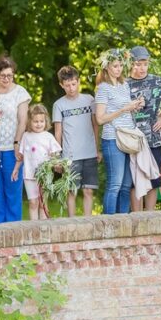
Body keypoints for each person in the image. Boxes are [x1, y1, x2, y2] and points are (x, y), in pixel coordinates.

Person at [126, 46, 161, 211]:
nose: (142, 68)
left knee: (154, 179)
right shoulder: (123, 85)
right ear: (130, 64)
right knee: (135, 181)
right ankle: (138, 217)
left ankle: (150, 216)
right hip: (132, 140)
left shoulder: (157, 81)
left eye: (145, 64)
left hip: (153, 138)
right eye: (137, 64)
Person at [95, 48, 143, 215]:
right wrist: (124, 109)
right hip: (112, 139)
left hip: (128, 139)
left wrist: (135, 106)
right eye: (115, 66)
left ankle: (123, 221)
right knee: (114, 184)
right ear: (107, 67)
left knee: (126, 185)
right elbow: (100, 119)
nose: (119, 69)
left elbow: (127, 109)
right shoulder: (103, 88)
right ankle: (109, 222)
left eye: (121, 65)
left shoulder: (124, 85)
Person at [53, 66, 100, 216]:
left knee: (88, 191)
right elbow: (58, 132)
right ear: (61, 85)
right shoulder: (59, 105)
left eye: (74, 84)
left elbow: (95, 126)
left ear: (78, 81)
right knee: (71, 192)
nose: (71, 88)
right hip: (70, 156)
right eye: (67, 85)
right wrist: (57, 158)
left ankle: (88, 222)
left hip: (89, 153)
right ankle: (71, 222)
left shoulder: (89, 100)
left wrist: (97, 149)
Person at [0, 55, 30, 223]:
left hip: (12, 148)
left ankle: (14, 230)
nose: (7, 79)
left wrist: (16, 143)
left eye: (10, 75)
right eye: (3, 75)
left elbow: (23, 120)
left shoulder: (20, 92)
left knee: (13, 190)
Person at [17, 104, 63, 221]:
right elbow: (21, 156)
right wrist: (16, 169)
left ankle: (43, 228)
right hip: (29, 174)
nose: (39, 124)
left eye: (41, 121)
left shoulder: (48, 137)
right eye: (35, 121)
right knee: (33, 202)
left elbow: (55, 154)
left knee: (43, 203)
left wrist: (57, 164)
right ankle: (34, 227)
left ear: (45, 121)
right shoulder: (26, 136)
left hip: (45, 175)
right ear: (30, 122)